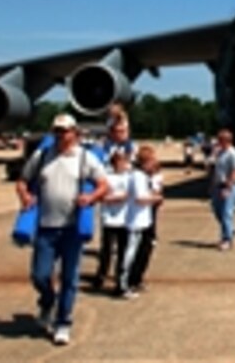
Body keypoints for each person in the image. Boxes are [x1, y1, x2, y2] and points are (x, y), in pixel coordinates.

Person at [15, 113, 109, 346]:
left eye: (65, 131)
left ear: (75, 133)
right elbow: (22, 180)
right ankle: (48, 301)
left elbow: (103, 184)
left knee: (70, 278)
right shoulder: (43, 155)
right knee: (40, 275)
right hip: (46, 226)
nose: (61, 135)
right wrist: (25, 196)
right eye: (57, 130)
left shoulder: (85, 158)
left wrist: (91, 197)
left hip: (71, 228)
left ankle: (63, 322)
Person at [122, 146, 164, 297]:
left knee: (143, 251)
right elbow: (140, 198)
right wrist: (156, 198)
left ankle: (135, 280)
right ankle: (124, 284)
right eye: (152, 160)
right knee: (131, 253)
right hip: (135, 221)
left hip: (144, 220)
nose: (154, 163)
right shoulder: (137, 176)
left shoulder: (145, 177)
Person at [92, 149, 131, 294]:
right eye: (118, 162)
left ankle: (120, 278)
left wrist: (119, 198)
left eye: (123, 161)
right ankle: (100, 276)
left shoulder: (129, 177)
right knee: (106, 250)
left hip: (124, 219)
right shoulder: (107, 177)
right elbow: (100, 194)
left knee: (123, 251)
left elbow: (130, 194)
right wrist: (111, 198)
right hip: (109, 218)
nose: (121, 164)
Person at [210, 128, 235, 251]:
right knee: (217, 211)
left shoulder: (233, 154)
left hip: (229, 186)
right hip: (217, 186)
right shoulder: (219, 152)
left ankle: (226, 239)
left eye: (220, 140)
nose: (217, 142)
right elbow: (213, 168)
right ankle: (230, 229)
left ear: (226, 140)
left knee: (226, 213)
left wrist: (228, 187)